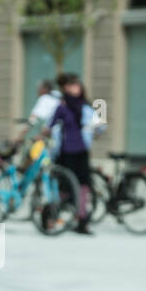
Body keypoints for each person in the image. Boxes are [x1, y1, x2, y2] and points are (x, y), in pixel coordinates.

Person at [47, 73, 96, 235]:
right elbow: (50, 126)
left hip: (82, 151)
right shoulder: (61, 107)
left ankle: (82, 221)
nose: (77, 87)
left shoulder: (85, 107)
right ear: (65, 88)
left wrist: (97, 127)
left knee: (83, 187)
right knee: (64, 187)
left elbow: (99, 124)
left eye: (78, 85)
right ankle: (52, 217)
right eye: (73, 85)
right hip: (65, 152)